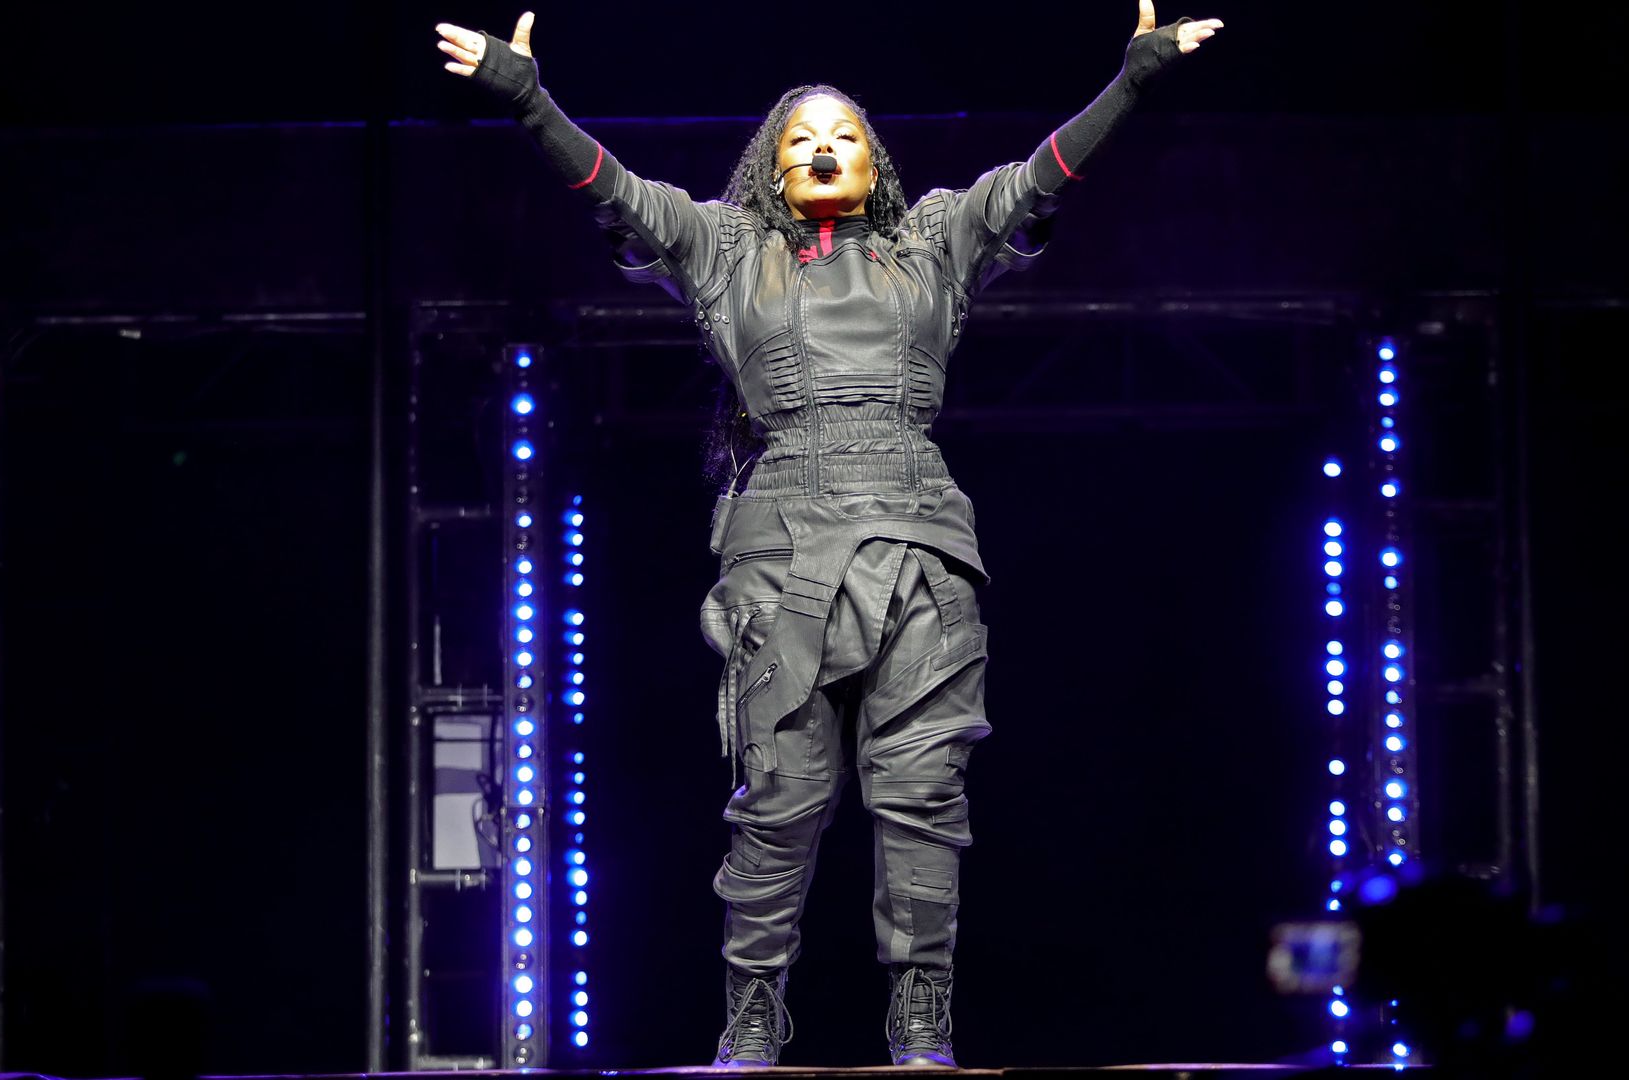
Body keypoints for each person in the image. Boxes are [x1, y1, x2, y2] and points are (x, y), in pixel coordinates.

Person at [434, 5, 1223, 1067]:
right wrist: (529, 97)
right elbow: (616, 191)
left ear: (873, 160)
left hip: (918, 541)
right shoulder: (727, 250)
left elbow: (1036, 180)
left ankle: (924, 1017)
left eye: (843, 132)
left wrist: (1128, 84)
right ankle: (752, 1015)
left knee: (921, 792)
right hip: (782, 548)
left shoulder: (932, 242)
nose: (819, 145)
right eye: (798, 134)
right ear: (770, 164)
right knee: (780, 798)